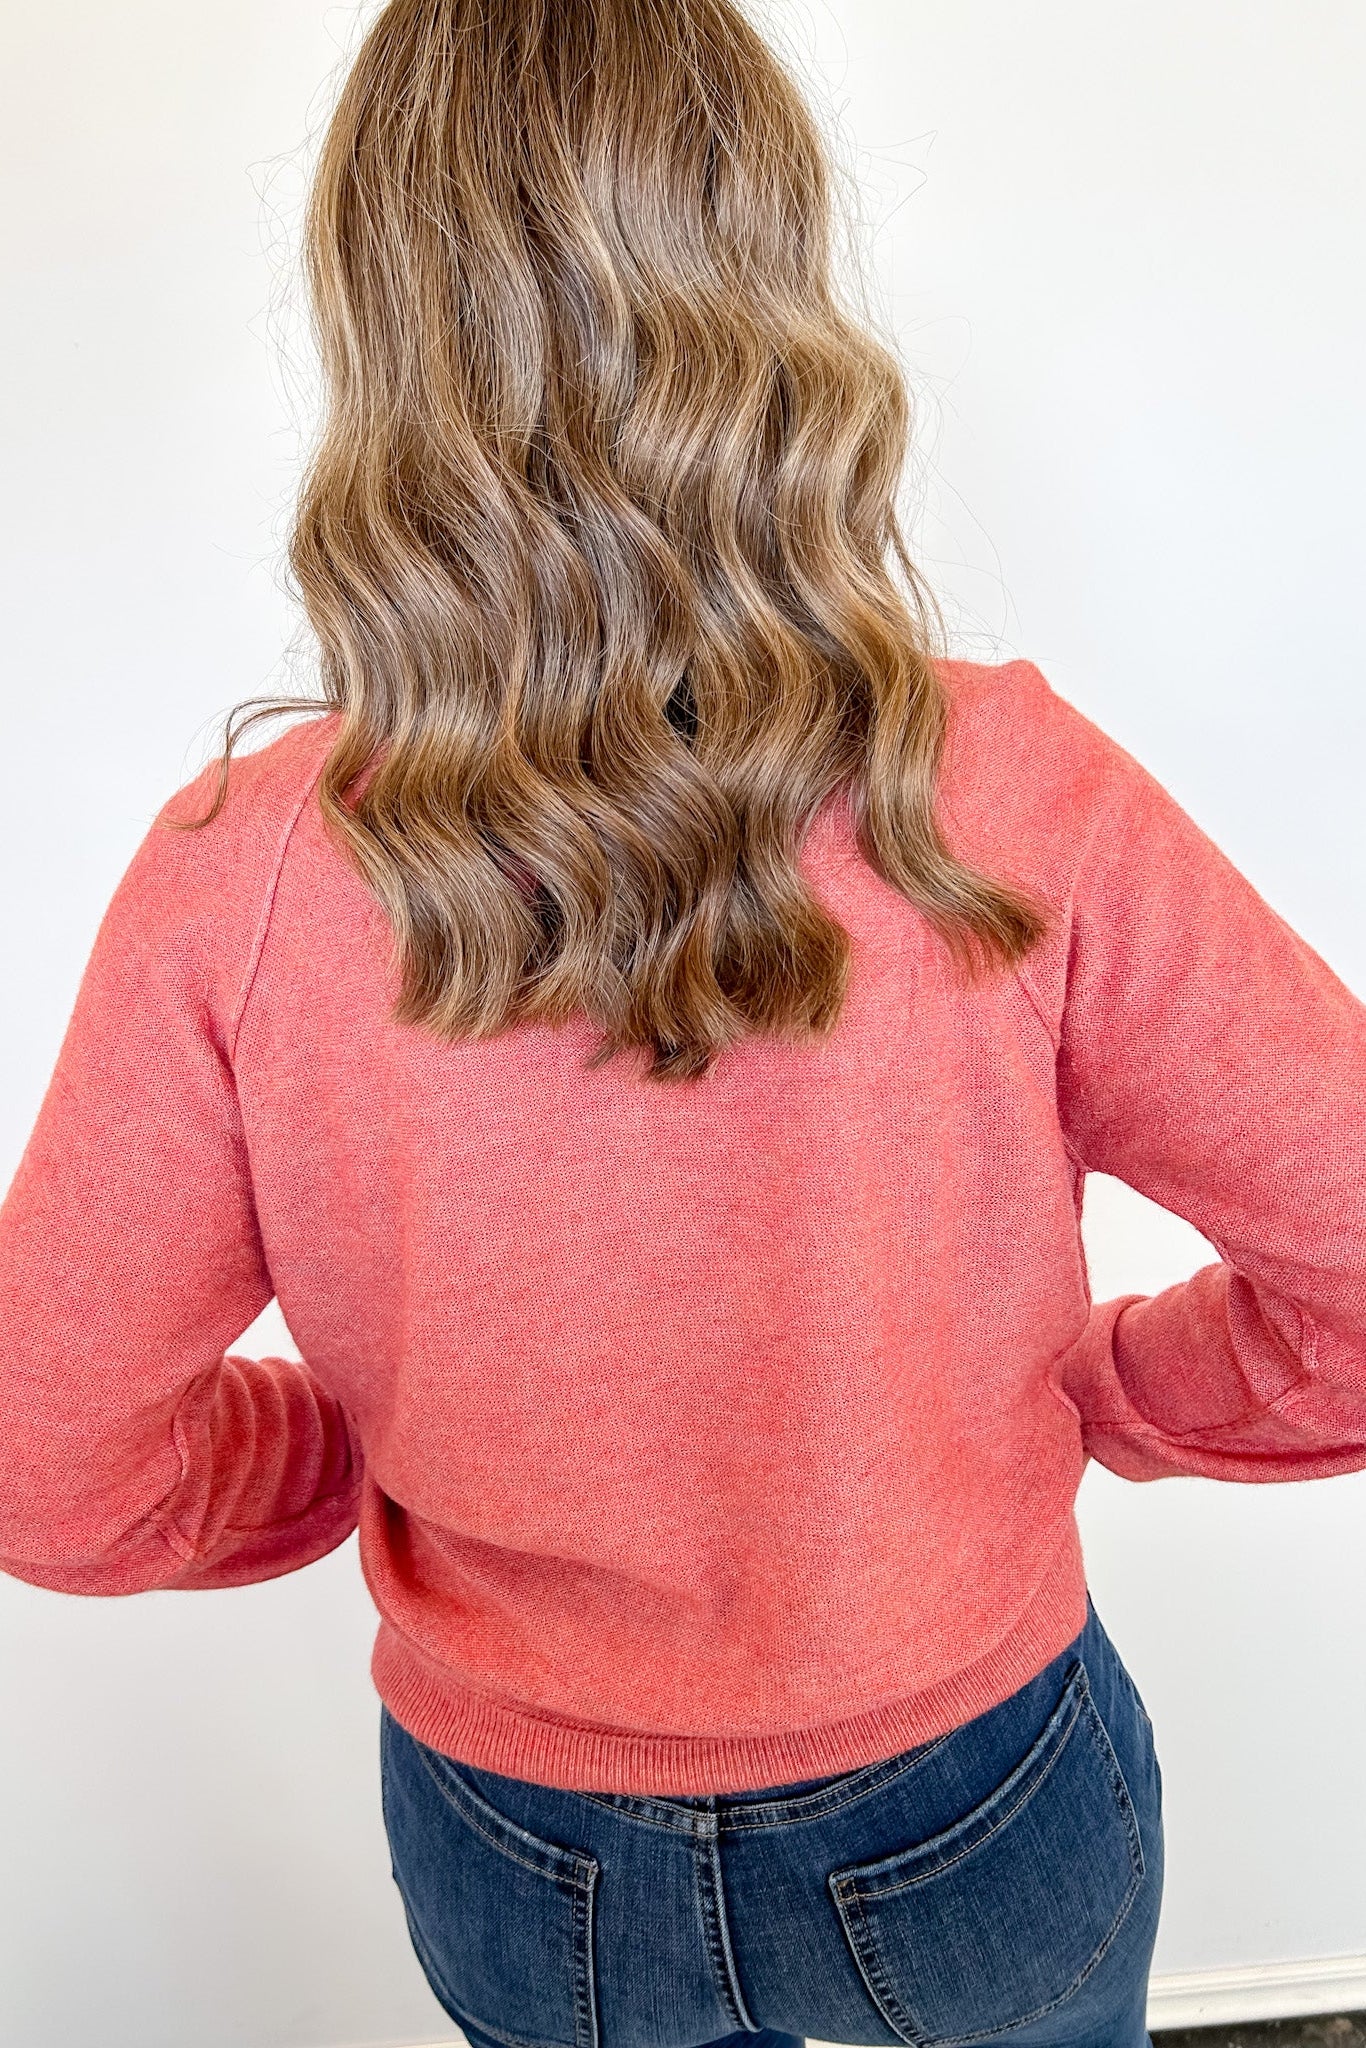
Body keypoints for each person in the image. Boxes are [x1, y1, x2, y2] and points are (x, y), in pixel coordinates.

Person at [2, 3, 1363, 2045]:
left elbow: (51, 1461)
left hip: (521, 1838)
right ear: (768, 272)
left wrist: (358, 1456)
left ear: (389, 322)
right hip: (972, 1793)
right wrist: (1096, 1392)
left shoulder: (248, 876)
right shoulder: (1000, 791)